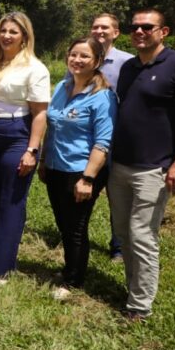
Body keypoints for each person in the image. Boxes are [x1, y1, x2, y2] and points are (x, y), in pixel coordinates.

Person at [108, 9, 175, 321]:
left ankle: (139, 306)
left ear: (163, 31)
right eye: (135, 27)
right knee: (124, 233)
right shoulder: (129, 68)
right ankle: (133, 287)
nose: (139, 31)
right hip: (121, 165)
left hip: (155, 167)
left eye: (147, 27)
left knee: (142, 235)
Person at [0, 12, 50, 282]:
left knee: (10, 199)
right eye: (3, 31)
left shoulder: (35, 68)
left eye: (13, 32)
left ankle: (0, 266)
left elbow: (39, 113)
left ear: (24, 36)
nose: (6, 36)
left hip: (17, 133)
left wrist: (32, 150)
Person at [40, 38, 117, 299]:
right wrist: (43, 161)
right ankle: (69, 267)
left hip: (81, 171)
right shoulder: (63, 86)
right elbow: (52, 127)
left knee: (75, 227)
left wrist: (87, 178)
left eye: (84, 56)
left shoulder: (103, 97)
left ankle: (73, 281)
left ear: (96, 62)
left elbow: (103, 141)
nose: (77, 60)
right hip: (55, 167)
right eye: (73, 55)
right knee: (64, 223)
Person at [88, 12, 135, 260]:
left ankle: (118, 246)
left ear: (116, 33)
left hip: (118, 140)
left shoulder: (128, 63)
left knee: (118, 197)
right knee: (86, 189)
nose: (99, 31)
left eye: (105, 28)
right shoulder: (83, 57)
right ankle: (76, 237)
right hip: (87, 139)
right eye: (95, 27)